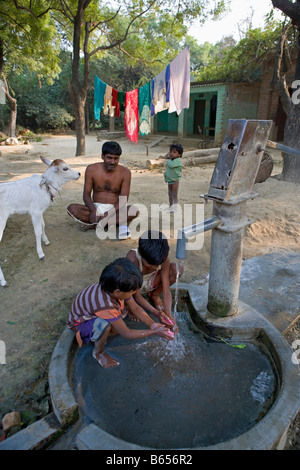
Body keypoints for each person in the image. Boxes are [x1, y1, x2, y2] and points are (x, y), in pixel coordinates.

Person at [67, 258, 174, 368]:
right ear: (117, 292)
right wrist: (155, 331)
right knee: (104, 326)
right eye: (132, 292)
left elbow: (136, 308)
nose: (133, 294)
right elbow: (126, 333)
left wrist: (152, 324)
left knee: (121, 314)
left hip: (93, 311)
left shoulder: (114, 286)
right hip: (80, 323)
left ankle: (110, 330)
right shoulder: (105, 305)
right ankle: (99, 353)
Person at [67, 141, 138, 239]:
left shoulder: (125, 173)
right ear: (102, 156)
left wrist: (108, 214)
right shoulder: (91, 169)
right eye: (109, 157)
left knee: (134, 210)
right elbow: (86, 194)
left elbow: (123, 200)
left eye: (116, 158)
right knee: (71, 209)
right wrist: (93, 210)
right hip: (97, 208)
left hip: (116, 209)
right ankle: (112, 222)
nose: (112, 162)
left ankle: (96, 224)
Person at [126, 230, 183, 330]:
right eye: (151, 265)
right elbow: (138, 296)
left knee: (177, 269)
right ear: (140, 253)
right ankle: (130, 306)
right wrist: (156, 313)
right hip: (134, 287)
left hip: (150, 282)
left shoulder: (162, 258)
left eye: (158, 264)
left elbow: (166, 291)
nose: (156, 268)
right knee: (128, 292)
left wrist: (169, 315)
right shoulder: (133, 261)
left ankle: (154, 295)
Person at [164, 143, 183, 212]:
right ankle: (170, 206)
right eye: (171, 151)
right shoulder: (172, 160)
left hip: (175, 180)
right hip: (170, 180)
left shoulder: (177, 161)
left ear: (179, 154)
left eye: (174, 152)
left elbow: (171, 165)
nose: (171, 153)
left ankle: (175, 208)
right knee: (170, 194)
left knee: (174, 194)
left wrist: (167, 160)